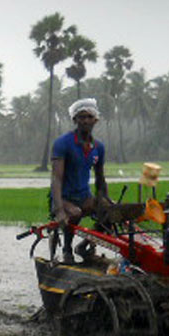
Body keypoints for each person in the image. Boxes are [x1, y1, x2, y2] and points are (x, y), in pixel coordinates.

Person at [49, 97, 110, 264]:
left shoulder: (98, 147)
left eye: (89, 117)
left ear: (95, 120)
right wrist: (60, 209)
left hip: (84, 196)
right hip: (64, 198)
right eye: (81, 117)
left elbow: (100, 177)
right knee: (75, 213)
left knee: (108, 214)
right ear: (75, 119)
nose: (85, 121)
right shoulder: (63, 143)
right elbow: (56, 178)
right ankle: (66, 249)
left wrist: (105, 199)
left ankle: (84, 246)